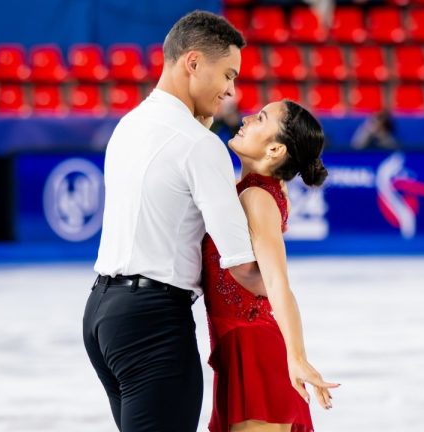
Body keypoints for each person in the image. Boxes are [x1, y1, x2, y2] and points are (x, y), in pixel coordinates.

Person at [83, 11, 264, 432]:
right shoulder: (200, 146)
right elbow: (242, 266)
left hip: (103, 315)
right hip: (153, 325)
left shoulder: (129, 125)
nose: (232, 92)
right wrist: (290, 321)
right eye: (228, 76)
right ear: (194, 62)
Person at [203, 100, 338, 432]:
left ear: (275, 149)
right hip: (241, 346)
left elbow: (278, 283)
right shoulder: (261, 189)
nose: (247, 118)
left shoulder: (257, 198)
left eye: (260, 118)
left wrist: (297, 356)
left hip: (253, 349)